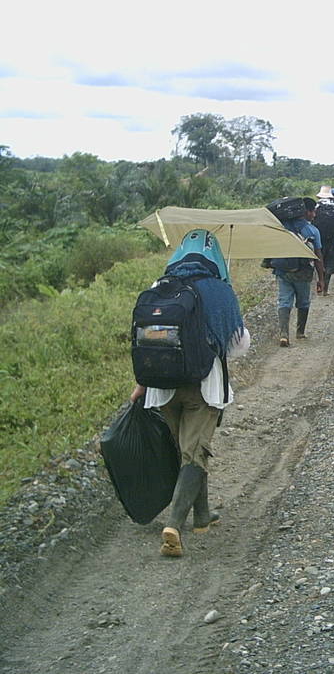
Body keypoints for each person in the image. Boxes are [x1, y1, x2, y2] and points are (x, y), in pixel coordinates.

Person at [129, 229, 251, 558]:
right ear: (212, 257)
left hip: (161, 388)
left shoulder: (160, 286)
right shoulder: (218, 290)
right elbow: (238, 345)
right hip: (202, 385)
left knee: (189, 452)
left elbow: (147, 340)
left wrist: (142, 383)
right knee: (195, 453)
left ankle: (202, 515)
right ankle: (174, 525)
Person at [275, 198, 325, 346]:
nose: (314, 215)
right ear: (306, 212)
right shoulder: (312, 231)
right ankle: (300, 332)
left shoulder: (282, 227)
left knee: (284, 300)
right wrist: (321, 278)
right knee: (303, 302)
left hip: (283, 271)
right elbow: (318, 257)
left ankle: (284, 333)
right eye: (313, 211)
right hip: (303, 273)